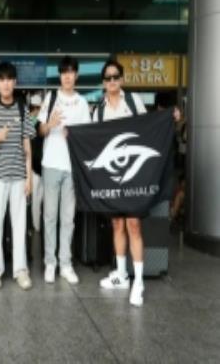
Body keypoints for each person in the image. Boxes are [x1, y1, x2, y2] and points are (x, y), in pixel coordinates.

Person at [93, 59, 148, 307]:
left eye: (116, 77)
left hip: (133, 172)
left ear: (122, 79)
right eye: (108, 78)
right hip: (112, 174)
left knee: (133, 224)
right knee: (117, 224)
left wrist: (170, 117)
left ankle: (139, 281)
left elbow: (149, 129)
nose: (112, 81)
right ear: (103, 82)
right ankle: (122, 275)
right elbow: (92, 141)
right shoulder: (98, 111)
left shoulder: (134, 102)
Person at [0, 62, 35, 290]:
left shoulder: (24, 111)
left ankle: (21, 270)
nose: (5, 84)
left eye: (9, 80)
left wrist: (29, 177)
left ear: (14, 82)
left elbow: (27, 145)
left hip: (19, 176)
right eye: (1, 79)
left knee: (20, 225)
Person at [38, 56, 91, 285]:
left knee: (68, 218)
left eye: (71, 72)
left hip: (72, 167)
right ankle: (50, 262)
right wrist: (49, 125)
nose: (67, 76)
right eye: (64, 72)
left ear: (76, 75)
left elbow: (88, 136)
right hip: (51, 163)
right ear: (60, 76)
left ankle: (65, 263)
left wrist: (75, 136)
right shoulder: (51, 98)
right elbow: (40, 131)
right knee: (50, 216)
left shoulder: (82, 103)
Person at [29, 93, 44, 232]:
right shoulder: (36, 123)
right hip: (35, 166)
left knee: (36, 199)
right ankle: (36, 226)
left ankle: (36, 226)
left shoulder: (30, 122)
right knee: (37, 199)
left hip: (35, 166)